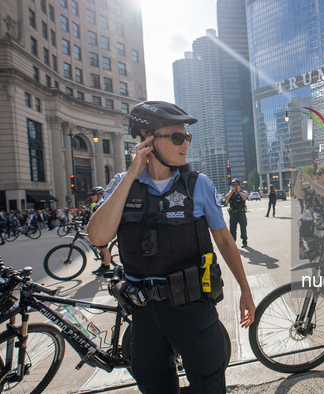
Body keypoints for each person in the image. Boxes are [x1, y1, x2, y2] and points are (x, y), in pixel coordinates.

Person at [87, 101, 255, 394]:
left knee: (209, 383)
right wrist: (131, 175)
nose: (185, 144)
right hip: (144, 313)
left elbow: (225, 241)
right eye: (177, 137)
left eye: (187, 137)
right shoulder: (123, 184)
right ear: (147, 139)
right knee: (154, 385)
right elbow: (98, 237)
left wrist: (245, 290)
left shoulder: (198, 185)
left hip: (192, 308)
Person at [294, 167, 324, 259]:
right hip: (310, 225)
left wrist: (311, 182)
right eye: (315, 173)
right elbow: (298, 194)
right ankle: (315, 273)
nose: (316, 175)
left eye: (320, 173)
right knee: (314, 256)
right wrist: (298, 182)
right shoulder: (309, 189)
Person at [88, 187, 112, 276]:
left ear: (99, 195)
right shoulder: (95, 204)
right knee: (100, 249)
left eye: (93, 195)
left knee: (104, 249)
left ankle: (107, 266)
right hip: (97, 229)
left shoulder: (103, 203)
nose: (91, 197)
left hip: (104, 229)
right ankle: (103, 264)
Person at [226, 178, 248, 247]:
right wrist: (231, 192)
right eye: (233, 185)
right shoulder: (230, 192)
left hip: (241, 212)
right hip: (233, 213)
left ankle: (244, 241)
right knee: (232, 229)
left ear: (239, 185)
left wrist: (238, 192)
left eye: (236, 184)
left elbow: (245, 197)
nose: (234, 186)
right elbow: (226, 199)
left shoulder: (243, 192)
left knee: (243, 227)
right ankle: (233, 242)